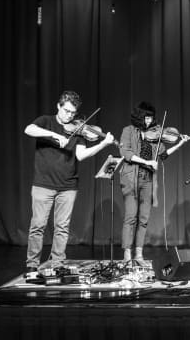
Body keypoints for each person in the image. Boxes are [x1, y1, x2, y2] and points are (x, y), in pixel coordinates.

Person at [24, 91, 114, 275]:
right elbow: (29, 129)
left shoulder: (78, 129)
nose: (69, 116)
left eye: (73, 113)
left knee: (62, 228)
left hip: (68, 185)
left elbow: (81, 155)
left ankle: (57, 263)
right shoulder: (45, 121)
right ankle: (32, 264)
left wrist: (103, 144)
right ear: (58, 106)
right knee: (38, 226)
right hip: (43, 183)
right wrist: (54, 135)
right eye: (66, 111)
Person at [118, 102, 190, 262]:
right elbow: (125, 152)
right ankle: (127, 254)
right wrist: (147, 162)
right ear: (139, 117)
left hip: (147, 179)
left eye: (151, 118)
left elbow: (163, 155)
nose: (149, 121)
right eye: (146, 118)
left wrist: (180, 143)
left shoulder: (155, 135)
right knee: (131, 216)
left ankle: (139, 253)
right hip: (130, 177)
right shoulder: (128, 131)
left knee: (144, 218)